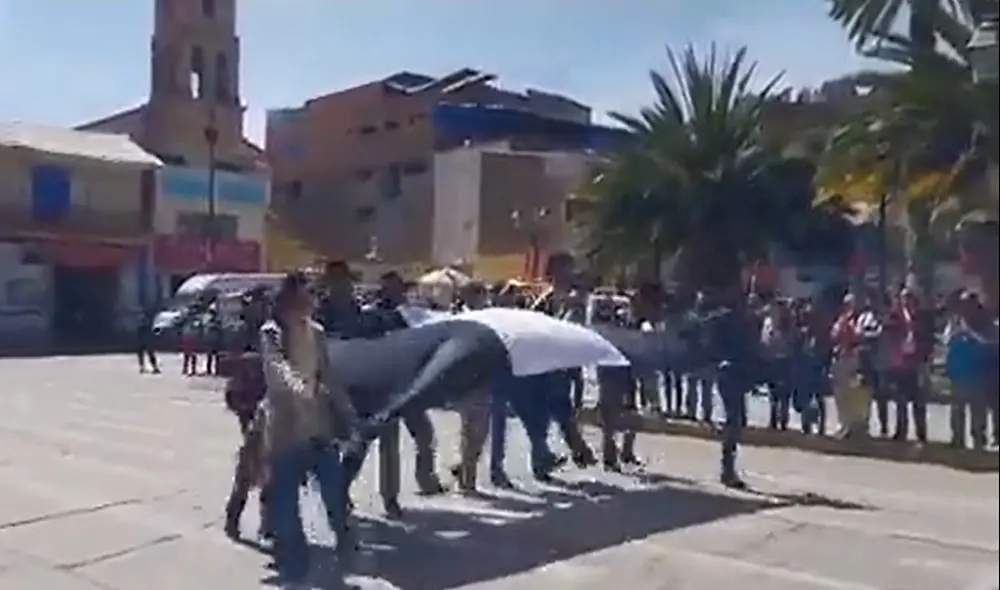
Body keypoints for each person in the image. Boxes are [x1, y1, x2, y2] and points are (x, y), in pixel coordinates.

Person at [257, 271, 356, 583]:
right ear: (287, 300)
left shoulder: (317, 332)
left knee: (333, 489)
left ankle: (345, 537)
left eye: (311, 295)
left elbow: (328, 374)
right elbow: (277, 368)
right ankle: (295, 559)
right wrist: (301, 388)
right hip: (286, 426)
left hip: (318, 426)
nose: (309, 301)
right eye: (303, 296)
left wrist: (347, 412)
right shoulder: (272, 332)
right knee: (286, 499)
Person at [136, 305, 160, 374]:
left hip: (144, 338)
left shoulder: (144, 321)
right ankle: (146, 367)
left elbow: (140, 330)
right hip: (145, 338)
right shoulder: (147, 321)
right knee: (147, 353)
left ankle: (148, 367)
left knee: (146, 353)